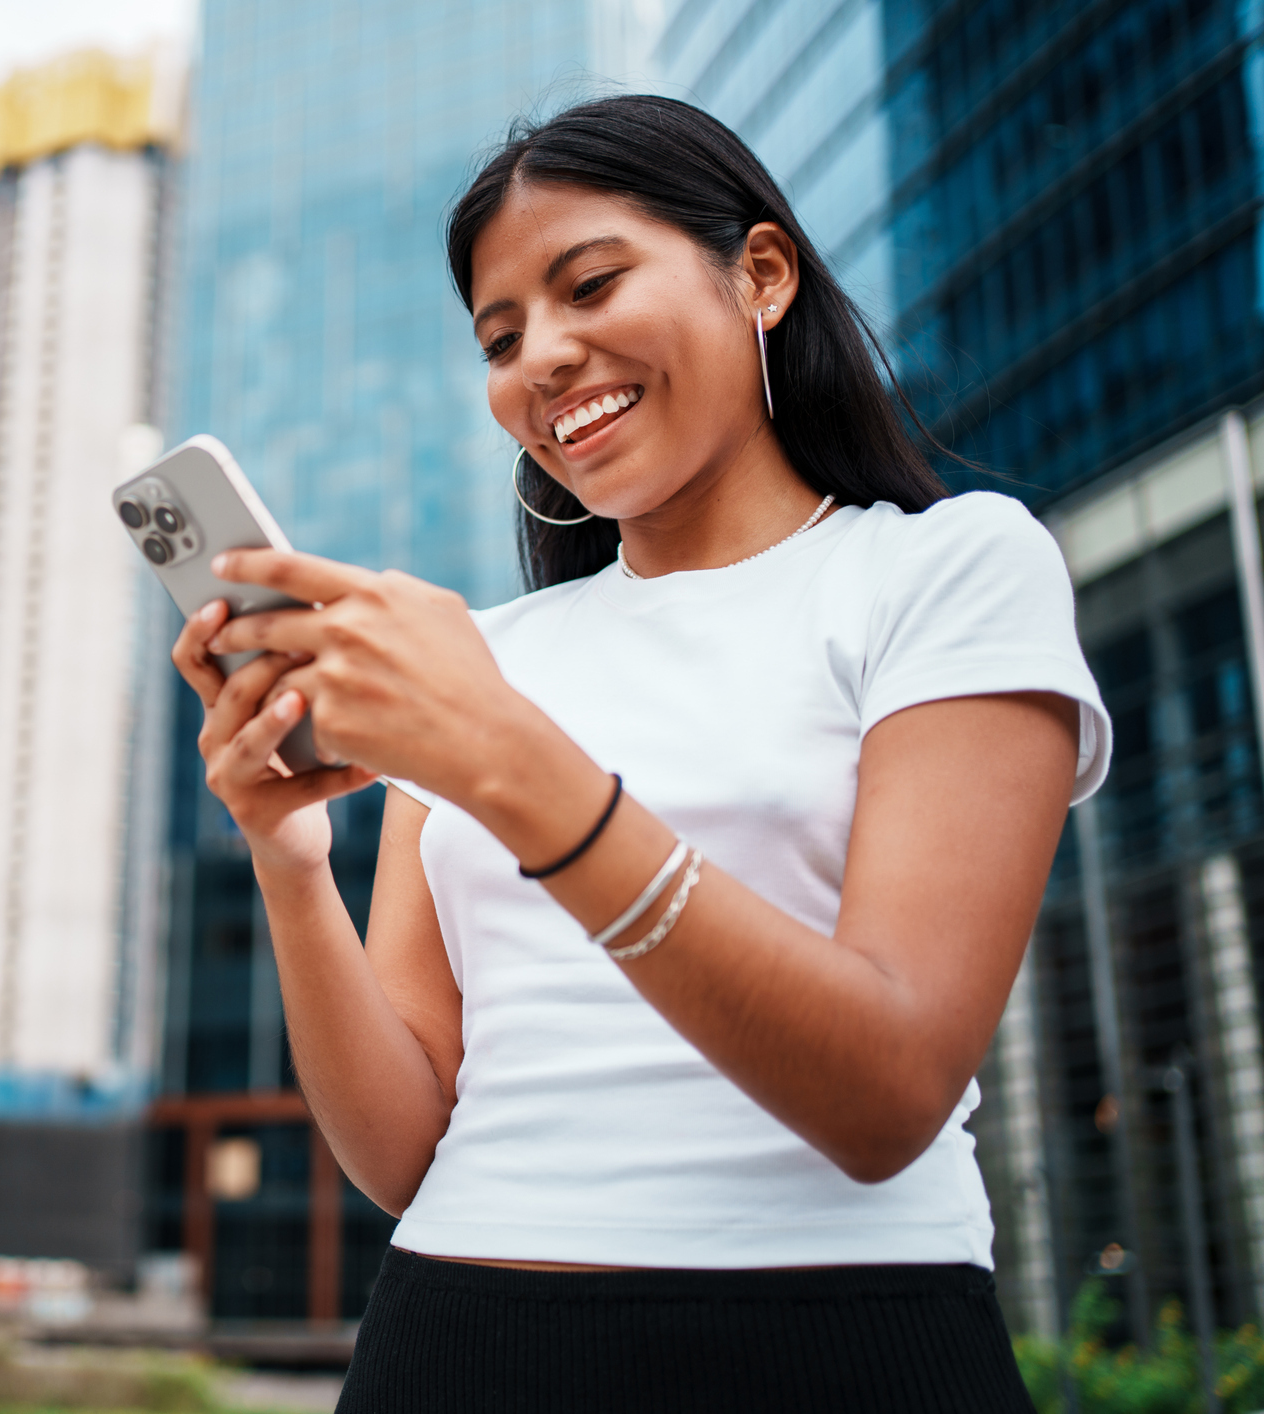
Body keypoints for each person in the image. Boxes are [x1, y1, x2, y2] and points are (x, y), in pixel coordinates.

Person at [170, 95, 1109, 1413]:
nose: (543, 358)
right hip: (454, 1338)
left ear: (760, 275)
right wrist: (286, 855)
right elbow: (400, 1147)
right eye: (500, 338)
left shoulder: (945, 568)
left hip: (837, 1341)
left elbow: (888, 1087)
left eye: (590, 284)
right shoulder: (479, 655)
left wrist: (512, 765)